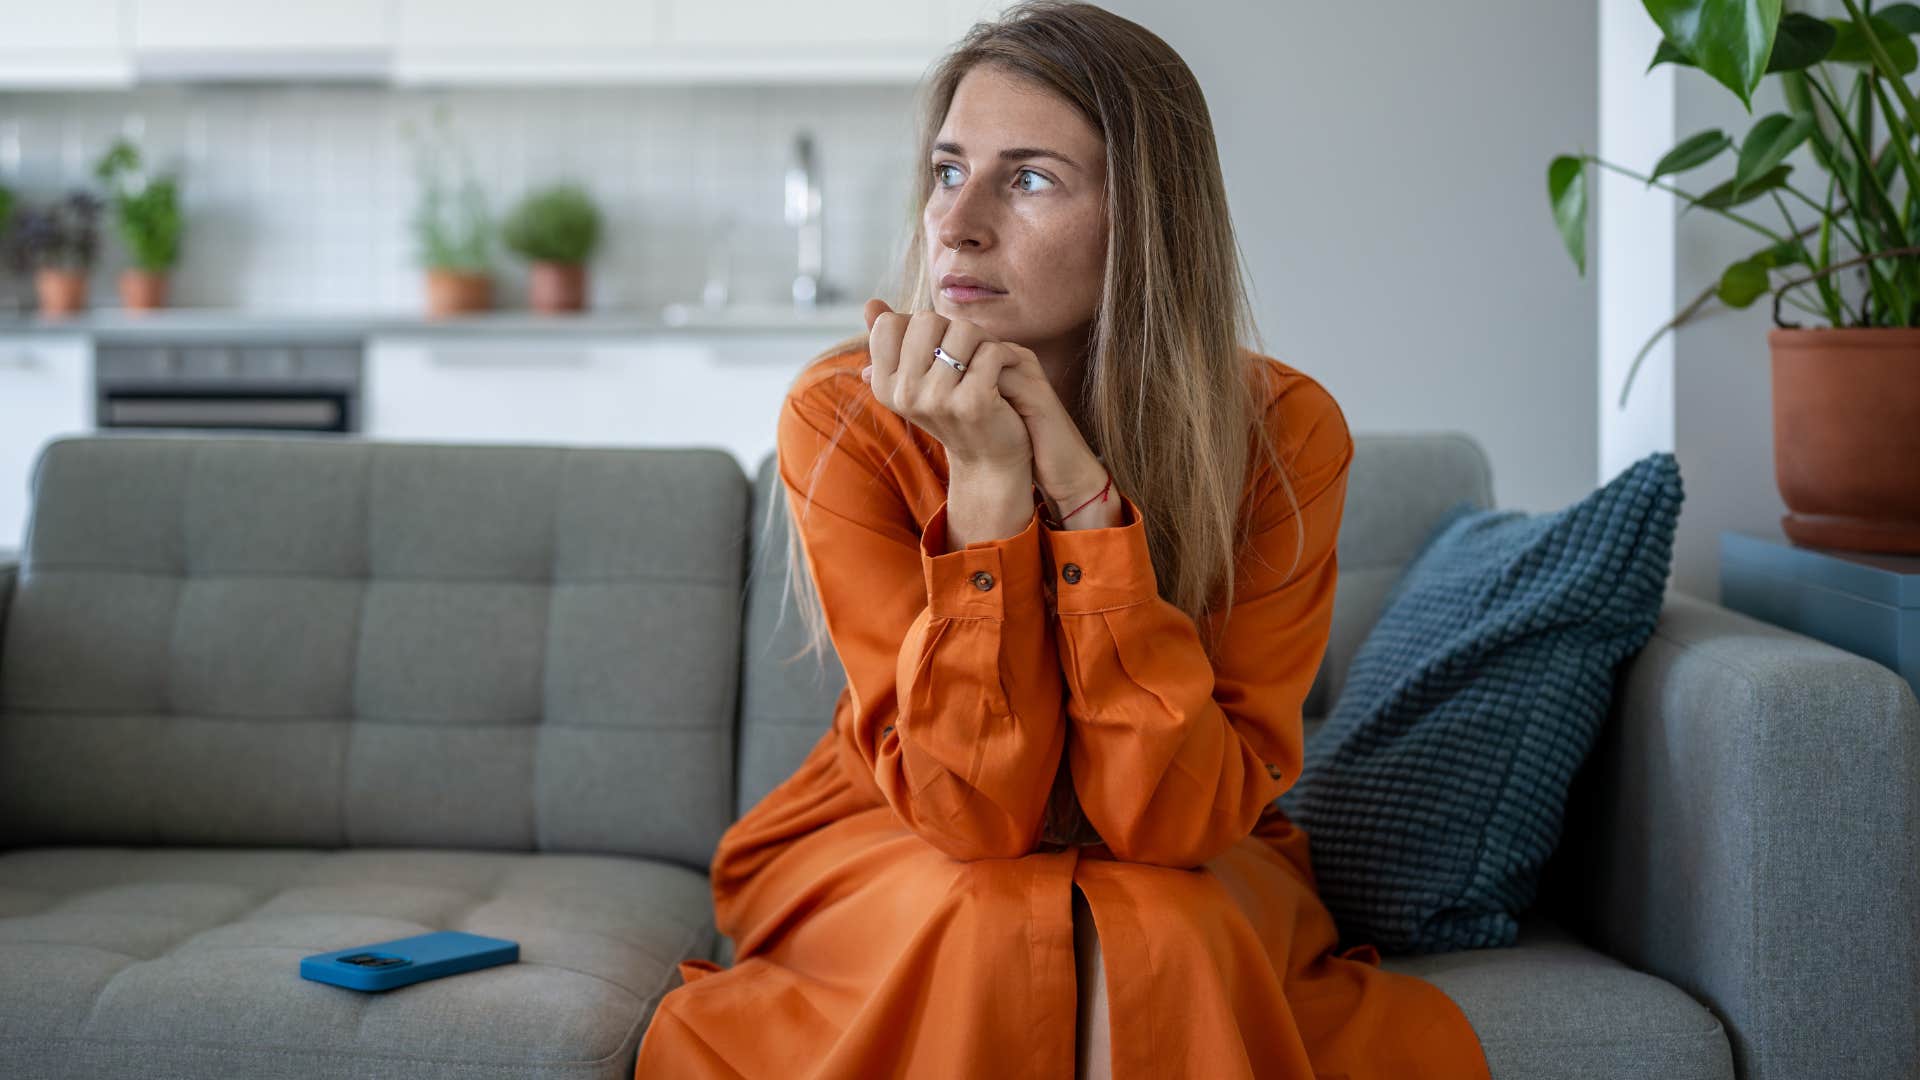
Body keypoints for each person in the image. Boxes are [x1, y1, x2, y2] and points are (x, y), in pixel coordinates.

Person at [633, 2, 1492, 1077]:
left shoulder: (1282, 435)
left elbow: (1179, 819)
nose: (958, 222)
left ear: (1146, 219)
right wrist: (988, 486)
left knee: (1162, 935)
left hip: (1197, 827)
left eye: (1028, 178)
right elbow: (971, 815)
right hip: (894, 827)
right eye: (949, 171)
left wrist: (1089, 511)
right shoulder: (843, 415)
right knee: (998, 925)